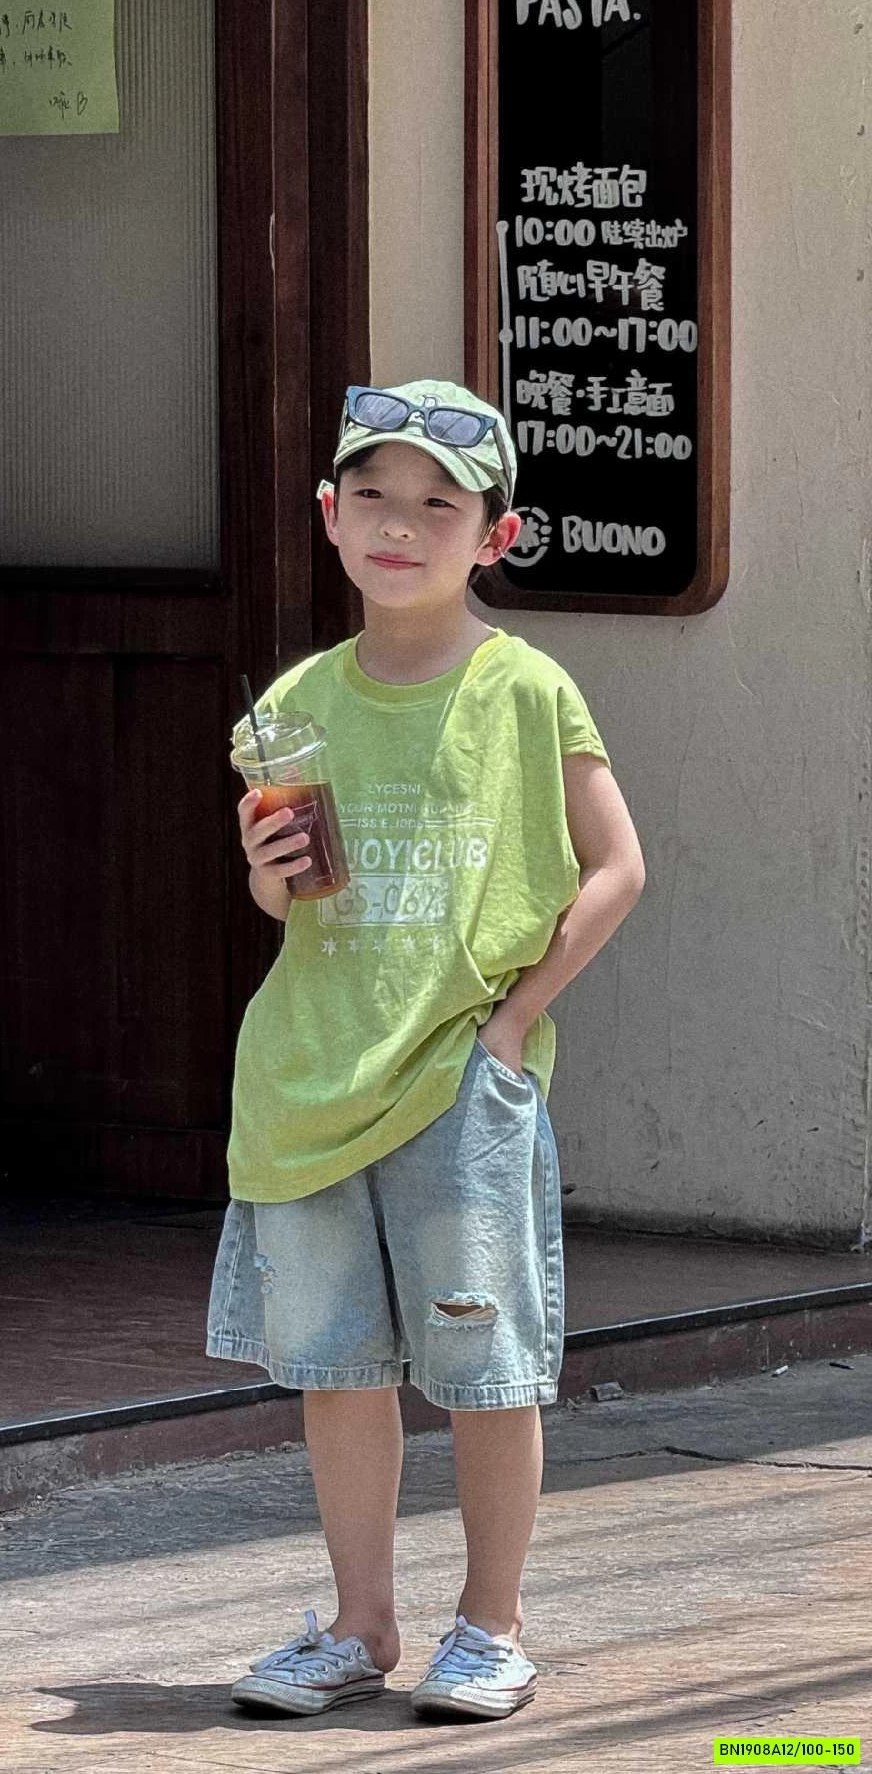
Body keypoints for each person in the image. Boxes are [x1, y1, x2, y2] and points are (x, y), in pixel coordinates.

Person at [206, 380, 646, 1723]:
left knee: (485, 1370)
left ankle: (491, 1625)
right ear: (333, 522)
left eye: (437, 506)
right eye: (374, 501)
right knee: (338, 1370)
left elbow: (618, 868)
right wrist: (263, 871)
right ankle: (358, 1625)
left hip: (460, 1085)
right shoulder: (293, 702)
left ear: (493, 537)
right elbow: (291, 904)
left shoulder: (526, 690)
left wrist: (510, 1027)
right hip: (306, 1080)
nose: (401, 528)